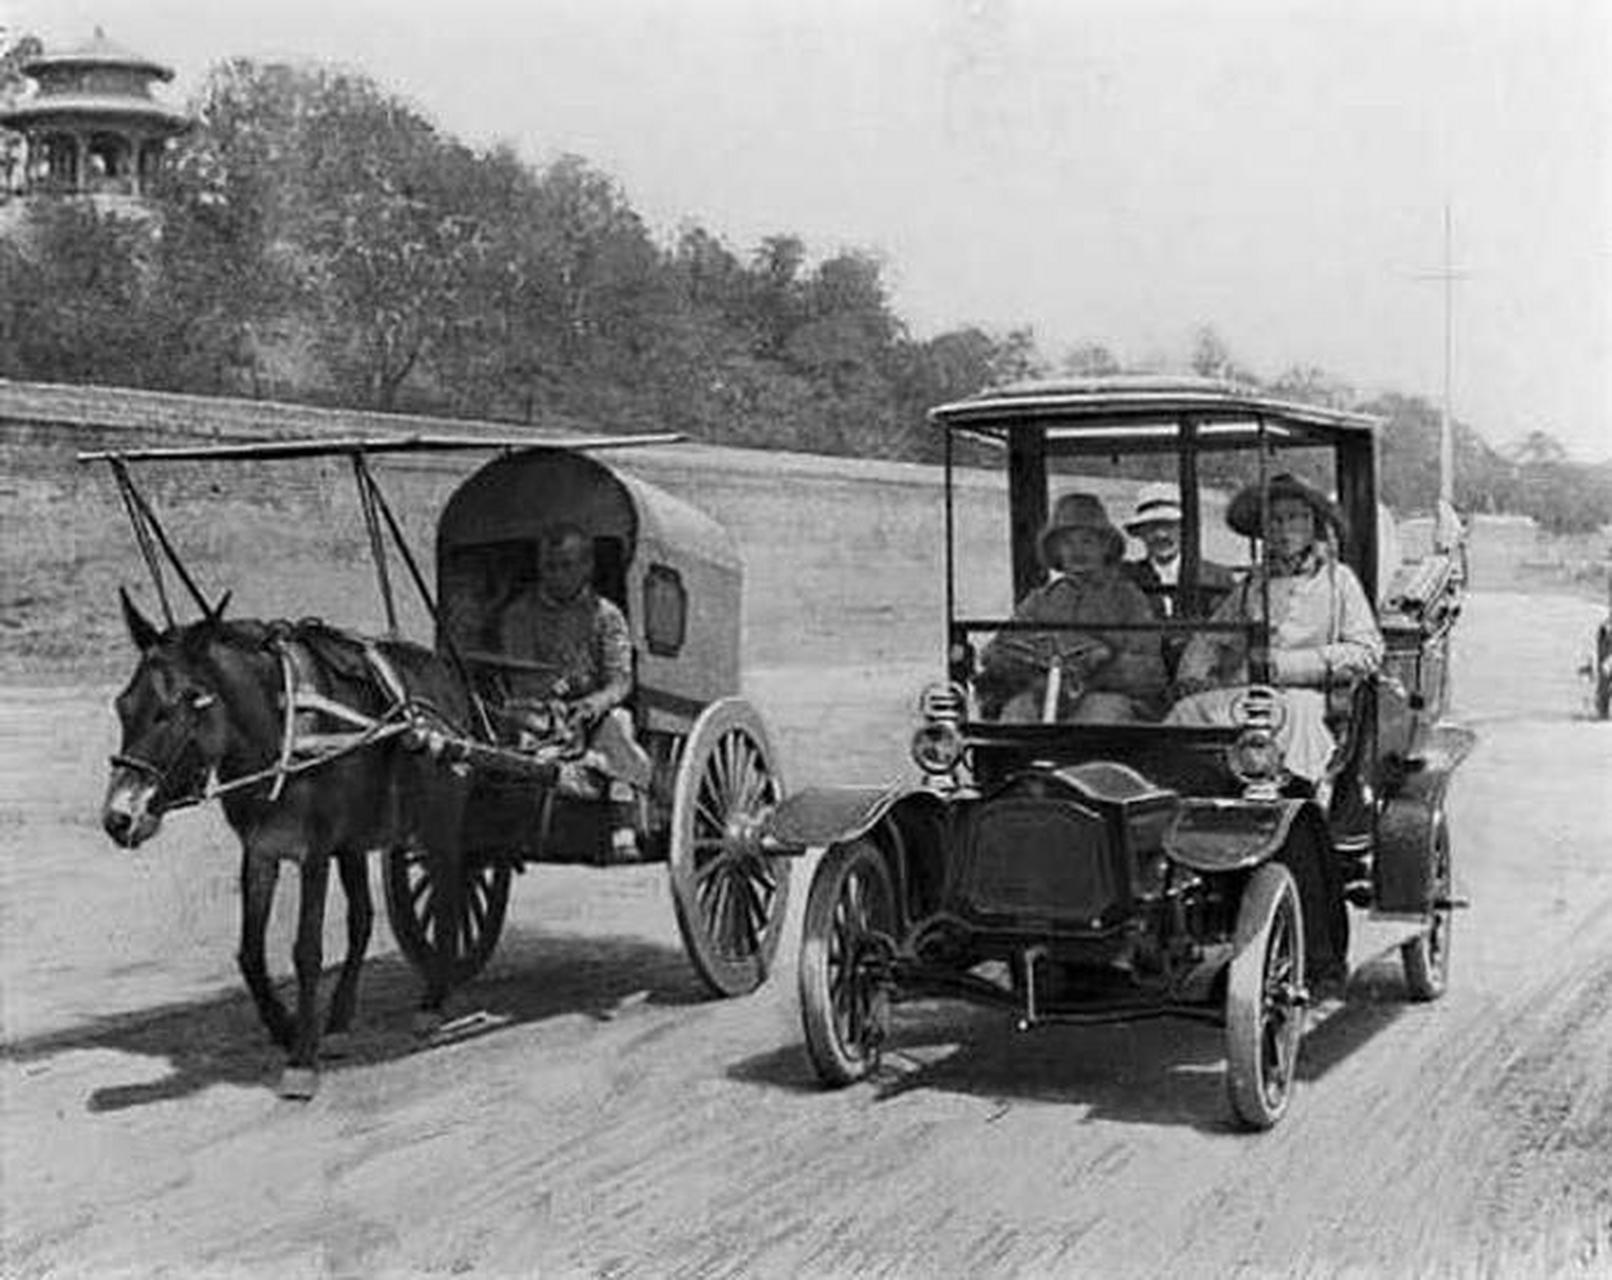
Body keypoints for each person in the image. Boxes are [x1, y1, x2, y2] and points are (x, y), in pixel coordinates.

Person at [1167, 472, 1384, 787]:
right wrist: (1193, 673)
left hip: (1309, 696)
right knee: (1188, 711)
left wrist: (1284, 667)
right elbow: (1211, 637)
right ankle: (1185, 793)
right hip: (1248, 693)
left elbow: (1367, 652)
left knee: (1289, 716)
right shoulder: (1253, 585)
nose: (1285, 529)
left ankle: (1295, 800)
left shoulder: (1339, 580)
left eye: (1296, 518)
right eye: (1275, 521)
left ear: (1314, 525)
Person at [498, 523, 651, 860]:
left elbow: (620, 681)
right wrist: (548, 697)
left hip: (593, 718)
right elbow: (519, 674)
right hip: (538, 712)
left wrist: (592, 705)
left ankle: (622, 827)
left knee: (618, 723)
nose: (557, 575)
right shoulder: (519, 614)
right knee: (510, 721)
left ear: (587, 567)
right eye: (550, 566)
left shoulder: (607, 616)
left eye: (567, 566)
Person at [977, 492, 1167, 723]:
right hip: (1044, 692)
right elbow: (995, 652)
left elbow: (1151, 671)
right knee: (1017, 712)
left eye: (1087, 541)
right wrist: (1031, 663)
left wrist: (1100, 664)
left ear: (1105, 547)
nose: (1078, 551)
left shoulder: (1128, 599)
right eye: (1068, 542)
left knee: (1098, 715)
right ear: (1056, 550)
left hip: (1107, 698)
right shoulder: (1040, 600)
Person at [1122, 482, 1238, 674]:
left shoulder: (1217, 577)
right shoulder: (1126, 578)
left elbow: (1227, 640)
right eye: (1152, 527)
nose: (1161, 535)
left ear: (1185, 530)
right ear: (1140, 533)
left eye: (1169, 526)